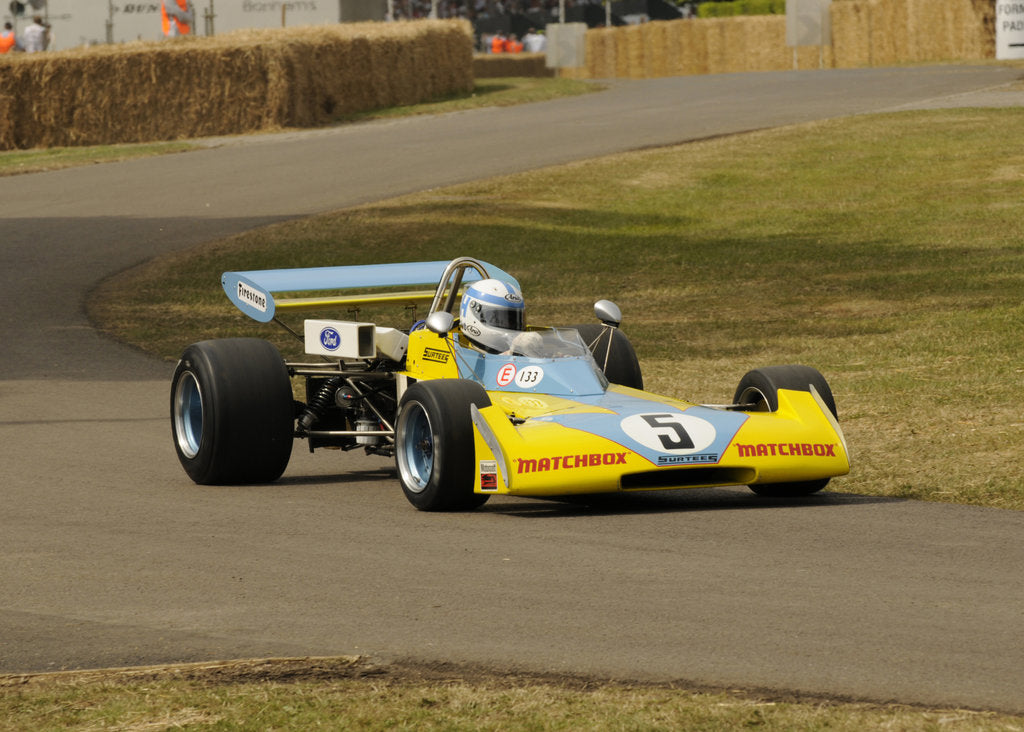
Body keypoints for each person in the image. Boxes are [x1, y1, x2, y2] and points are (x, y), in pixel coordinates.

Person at [459, 279, 526, 353]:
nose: (511, 324)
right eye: (498, 319)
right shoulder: (456, 357)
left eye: (514, 320)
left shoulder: (525, 346)